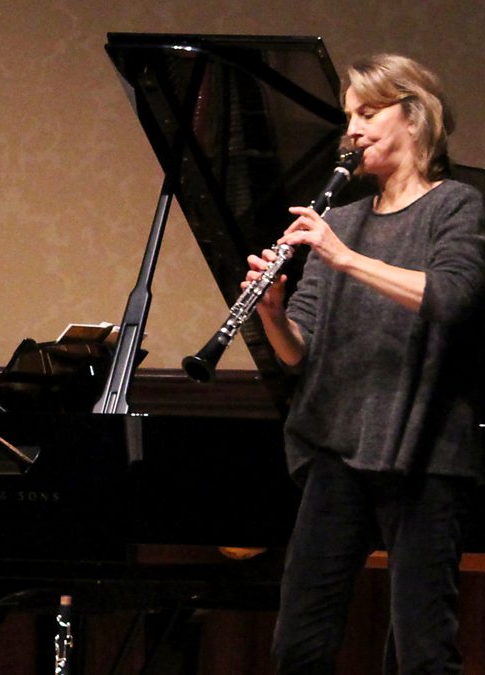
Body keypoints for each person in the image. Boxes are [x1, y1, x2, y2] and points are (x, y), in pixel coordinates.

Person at [247, 54, 485, 673]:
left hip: (426, 448)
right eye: (348, 115)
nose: (351, 129)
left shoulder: (456, 206)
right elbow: (299, 351)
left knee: (422, 651)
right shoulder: (342, 219)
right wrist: (272, 313)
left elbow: (452, 296)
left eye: (368, 113)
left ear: (414, 116)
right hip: (337, 443)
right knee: (298, 643)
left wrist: (345, 258)